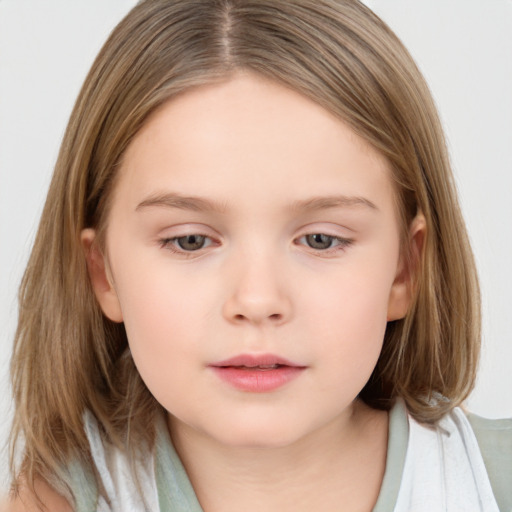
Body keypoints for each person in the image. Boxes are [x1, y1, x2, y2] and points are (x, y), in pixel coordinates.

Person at [4, 0, 511, 511]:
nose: (258, 299)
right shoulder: (53, 501)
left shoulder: (492, 482)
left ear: (405, 268)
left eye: (320, 240)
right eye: (190, 240)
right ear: (104, 274)